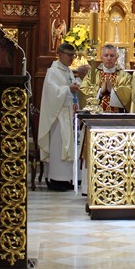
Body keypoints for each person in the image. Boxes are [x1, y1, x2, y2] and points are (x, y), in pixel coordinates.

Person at [38, 43, 90, 191]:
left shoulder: (67, 71)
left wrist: (76, 84)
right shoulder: (53, 72)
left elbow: (71, 88)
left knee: (68, 147)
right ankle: (56, 180)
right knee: (58, 147)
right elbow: (52, 93)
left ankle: (66, 178)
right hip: (58, 116)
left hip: (68, 114)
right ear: (60, 54)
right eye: (69, 55)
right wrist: (68, 89)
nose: (71, 58)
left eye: (73, 55)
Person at [80, 44, 133, 113]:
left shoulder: (125, 76)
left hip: (117, 115)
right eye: (106, 55)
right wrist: (100, 91)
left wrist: (112, 90)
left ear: (116, 57)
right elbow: (83, 91)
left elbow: (129, 95)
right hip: (96, 115)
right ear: (101, 57)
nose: (109, 58)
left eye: (112, 55)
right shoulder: (92, 74)